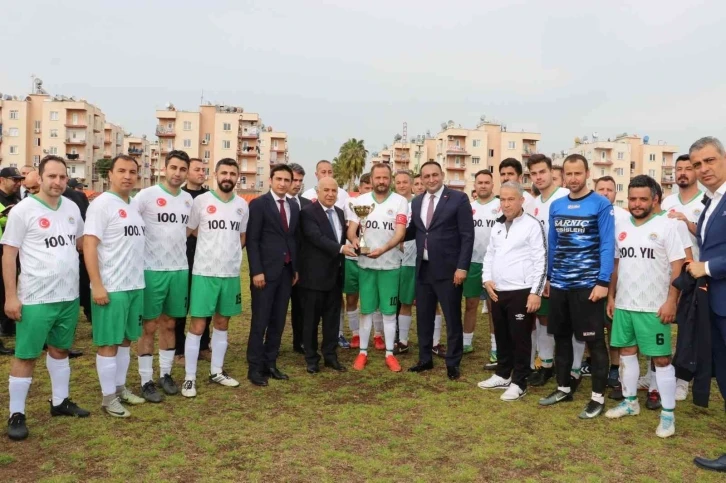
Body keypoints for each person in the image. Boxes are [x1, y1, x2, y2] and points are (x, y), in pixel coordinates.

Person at [4, 156, 89, 441]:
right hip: (35, 297)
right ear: (39, 178)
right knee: (26, 356)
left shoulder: (72, 207)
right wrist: (11, 297)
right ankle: (17, 413)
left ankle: (60, 401)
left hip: (68, 295)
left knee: (60, 350)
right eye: (52, 176)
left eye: (62, 177)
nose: (58, 182)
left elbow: (80, 243)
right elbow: (9, 255)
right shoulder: (23, 210)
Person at [605, 175, 684, 438]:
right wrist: (611, 297)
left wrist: (671, 300)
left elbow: (678, 267)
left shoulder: (667, 226)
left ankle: (668, 415)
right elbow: (617, 264)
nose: (637, 204)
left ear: (654, 199)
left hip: (654, 307)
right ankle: (630, 402)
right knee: (627, 353)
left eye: (643, 199)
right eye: (633, 199)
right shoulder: (621, 226)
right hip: (625, 304)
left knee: (661, 360)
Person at [539, 154, 614, 419]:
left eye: (577, 173)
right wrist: (549, 277)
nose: (573, 178)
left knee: (595, 343)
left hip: (588, 286)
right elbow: (553, 244)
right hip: (560, 284)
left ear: (587, 173)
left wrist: (603, 281)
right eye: (568, 174)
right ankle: (563, 388)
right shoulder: (557, 205)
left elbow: (608, 244)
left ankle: (597, 398)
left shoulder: (600, 204)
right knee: (561, 338)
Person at [84, 155, 146, 418]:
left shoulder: (133, 204)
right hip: (111, 286)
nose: (127, 176)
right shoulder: (101, 204)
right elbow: (89, 245)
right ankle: (108, 398)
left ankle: (120, 388)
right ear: (110, 174)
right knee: (109, 342)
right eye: (121, 171)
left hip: (135, 284)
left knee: (125, 340)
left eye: (132, 171)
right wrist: (97, 285)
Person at [182, 158, 248, 396]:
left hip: (229, 274)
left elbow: (242, 237)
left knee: (222, 323)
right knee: (198, 325)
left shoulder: (242, 205)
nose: (228, 177)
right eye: (224, 173)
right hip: (204, 273)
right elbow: (189, 230)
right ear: (216, 175)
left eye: (232, 173)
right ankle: (189, 378)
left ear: (237, 177)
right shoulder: (201, 201)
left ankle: (216, 371)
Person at [406, 161, 474, 380]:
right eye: (426, 176)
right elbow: (413, 230)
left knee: (452, 318)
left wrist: (462, 267)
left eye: (435, 175)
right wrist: (387, 236)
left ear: (442, 175)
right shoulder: (417, 202)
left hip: (449, 270)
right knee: (423, 317)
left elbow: (467, 235)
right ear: (421, 179)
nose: (431, 179)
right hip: (423, 268)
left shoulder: (458, 199)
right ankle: (425, 359)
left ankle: (453, 363)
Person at [478, 181, 546, 400]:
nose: (506, 204)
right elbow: (490, 254)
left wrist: (535, 292)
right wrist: (486, 280)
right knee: (502, 334)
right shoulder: (497, 225)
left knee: (520, 338)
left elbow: (541, 260)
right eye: (503, 199)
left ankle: (520, 382)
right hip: (498, 290)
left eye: (511, 199)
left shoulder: (532, 225)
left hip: (521, 291)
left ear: (521, 200)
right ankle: (503, 374)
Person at [133, 150, 192, 402]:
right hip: (151, 269)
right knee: (148, 326)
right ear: (164, 168)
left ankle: (165, 374)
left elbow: (188, 230)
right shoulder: (146, 196)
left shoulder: (188, 199)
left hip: (178, 270)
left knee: (170, 323)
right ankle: (145, 380)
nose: (177, 173)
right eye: (174, 168)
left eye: (182, 169)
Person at [687, 137, 726, 472]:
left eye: (709, 161)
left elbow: (712, 259)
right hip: (714, 303)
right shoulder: (711, 201)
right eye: (697, 164)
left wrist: (707, 268)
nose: (703, 169)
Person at [347, 163, 407, 372]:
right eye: (378, 178)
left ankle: (390, 354)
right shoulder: (360, 201)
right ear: (371, 180)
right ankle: (362, 352)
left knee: (389, 312)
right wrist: (354, 240)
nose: (381, 181)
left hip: (390, 265)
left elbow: (400, 233)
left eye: (385, 177)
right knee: (366, 310)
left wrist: (383, 249)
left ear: (390, 179)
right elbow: (352, 230)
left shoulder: (400, 201)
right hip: (366, 265)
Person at [246, 164, 299, 387]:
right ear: (270, 180)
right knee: (260, 321)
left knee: (278, 321)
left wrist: (294, 267)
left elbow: (292, 238)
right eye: (279, 179)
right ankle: (255, 367)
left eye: (287, 180)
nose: (283, 183)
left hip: (286, 272)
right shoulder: (259, 204)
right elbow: (252, 240)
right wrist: (256, 271)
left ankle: (270, 363)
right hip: (264, 274)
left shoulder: (293, 206)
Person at [299, 177, 355, 373]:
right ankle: (312, 359)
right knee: (311, 321)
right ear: (318, 191)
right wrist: (341, 249)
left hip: (335, 276)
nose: (330, 194)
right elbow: (316, 237)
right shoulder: (307, 212)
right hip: (314, 277)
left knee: (332, 320)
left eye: (334, 191)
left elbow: (343, 236)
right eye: (326, 190)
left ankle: (330, 356)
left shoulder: (339, 212)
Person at [528, 155, 569, 387]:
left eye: (542, 171)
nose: (538, 177)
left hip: (565, 271)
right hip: (541, 271)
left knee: (567, 322)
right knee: (542, 317)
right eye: (534, 173)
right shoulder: (534, 203)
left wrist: (554, 274)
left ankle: (572, 370)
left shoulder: (565, 196)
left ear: (551, 171)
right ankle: (546, 364)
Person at [174, 158, 212, 365]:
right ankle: (179, 349)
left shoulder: (209, 197)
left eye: (204, 170)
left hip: (206, 258)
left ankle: (204, 345)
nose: (201, 173)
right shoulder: (179, 197)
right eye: (197, 169)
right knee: (181, 305)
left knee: (205, 304)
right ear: (187, 172)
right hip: (183, 257)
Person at [463, 170, 500, 356]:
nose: (483, 185)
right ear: (475, 185)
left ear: (492, 185)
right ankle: (466, 343)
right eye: (480, 182)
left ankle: (495, 347)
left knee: (494, 307)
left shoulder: (500, 206)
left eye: (487, 182)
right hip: (473, 262)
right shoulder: (468, 208)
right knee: (470, 304)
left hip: (494, 265)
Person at [343, 174, 374, 350]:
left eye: (371, 188)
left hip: (373, 258)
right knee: (352, 297)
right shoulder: (350, 204)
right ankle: (355, 333)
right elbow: (347, 229)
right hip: (352, 258)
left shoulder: (380, 205)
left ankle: (377, 335)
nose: (369, 191)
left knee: (374, 298)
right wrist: (354, 240)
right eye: (366, 188)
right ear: (360, 188)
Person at [287, 163, 310, 354]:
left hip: (303, 265)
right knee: (275, 308)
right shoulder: (272, 203)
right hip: (280, 264)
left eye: (300, 181)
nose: (297, 184)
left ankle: (300, 341)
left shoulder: (308, 204)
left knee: (301, 306)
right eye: (294, 180)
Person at [0, 167, 24, 340]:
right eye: (14, 179)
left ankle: (8, 324)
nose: (18, 183)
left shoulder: (17, 198)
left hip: (13, 247)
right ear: (2, 180)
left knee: (12, 284)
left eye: (19, 180)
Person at [663, 154, 702, 261]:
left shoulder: (707, 201)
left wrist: (687, 223)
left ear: (697, 172)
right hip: (671, 265)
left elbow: (712, 236)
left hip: (697, 264)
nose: (683, 173)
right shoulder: (667, 202)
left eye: (688, 169)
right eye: (679, 169)